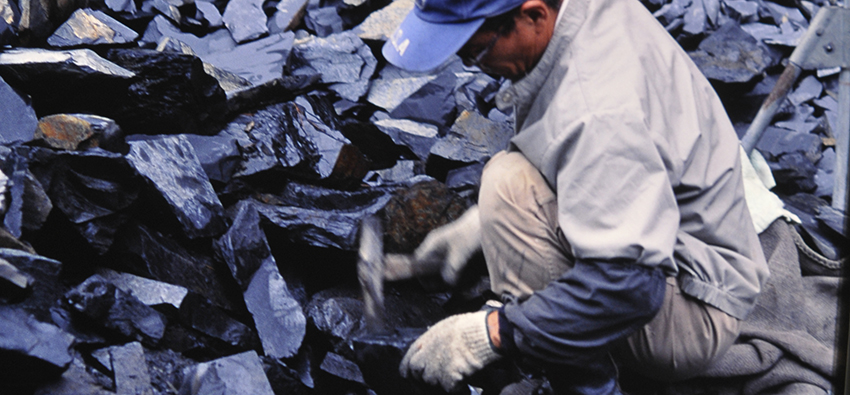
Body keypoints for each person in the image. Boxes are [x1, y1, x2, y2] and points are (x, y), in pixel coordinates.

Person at [381, 0, 771, 393]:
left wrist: (494, 334)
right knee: (505, 188)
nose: (474, 64)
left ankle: (594, 385)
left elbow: (630, 286)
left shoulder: (598, 109)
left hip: (693, 309)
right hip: (686, 239)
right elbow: (581, 157)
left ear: (533, 15)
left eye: (476, 51)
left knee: (507, 184)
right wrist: (478, 225)